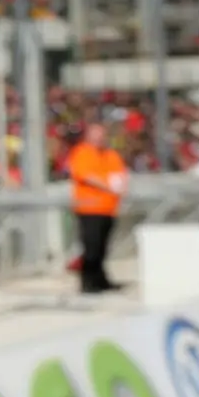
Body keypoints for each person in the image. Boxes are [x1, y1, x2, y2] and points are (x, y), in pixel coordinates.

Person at [66, 120, 127, 294]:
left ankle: (100, 280)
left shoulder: (111, 155)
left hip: (108, 209)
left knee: (102, 247)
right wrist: (108, 186)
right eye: (96, 134)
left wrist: (119, 187)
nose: (99, 138)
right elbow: (85, 175)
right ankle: (88, 282)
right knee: (91, 247)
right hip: (89, 209)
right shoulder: (82, 153)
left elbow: (120, 175)